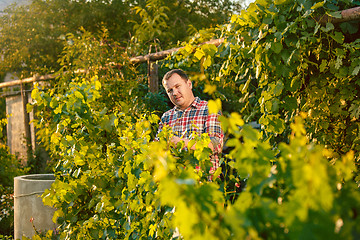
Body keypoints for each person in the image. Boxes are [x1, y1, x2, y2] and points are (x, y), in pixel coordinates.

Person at [157, 69, 224, 172]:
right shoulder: (166, 117)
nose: (174, 93)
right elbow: (158, 150)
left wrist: (180, 143)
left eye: (177, 86)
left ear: (189, 84)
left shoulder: (209, 109)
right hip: (174, 183)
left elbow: (214, 146)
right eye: (170, 90)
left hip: (203, 184)